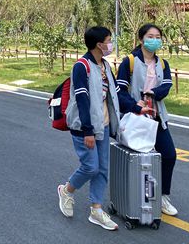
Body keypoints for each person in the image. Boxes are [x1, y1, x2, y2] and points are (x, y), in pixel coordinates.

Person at [57, 26, 120, 231]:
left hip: (103, 124)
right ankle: (67, 190)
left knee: (102, 169)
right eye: (109, 40)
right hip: (85, 127)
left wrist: (136, 108)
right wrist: (87, 131)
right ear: (99, 44)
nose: (111, 44)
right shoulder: (81, 66)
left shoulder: (105, 66)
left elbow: (115, 94)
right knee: (90, 167)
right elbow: (82, 100)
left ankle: (96, 210)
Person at [116, 23, 178, 216]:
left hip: (157, 118)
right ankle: (136, 198)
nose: (154, 40)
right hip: (136, 120)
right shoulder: (129, 62)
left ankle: (163, 197)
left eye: (158, 37)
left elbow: (166, 86)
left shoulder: (163, 64)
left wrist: (153, 93)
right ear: (141, 39)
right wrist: (135, 106)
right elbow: (120, 90)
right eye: (150, 36)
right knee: (141, 160)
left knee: (169, 155)